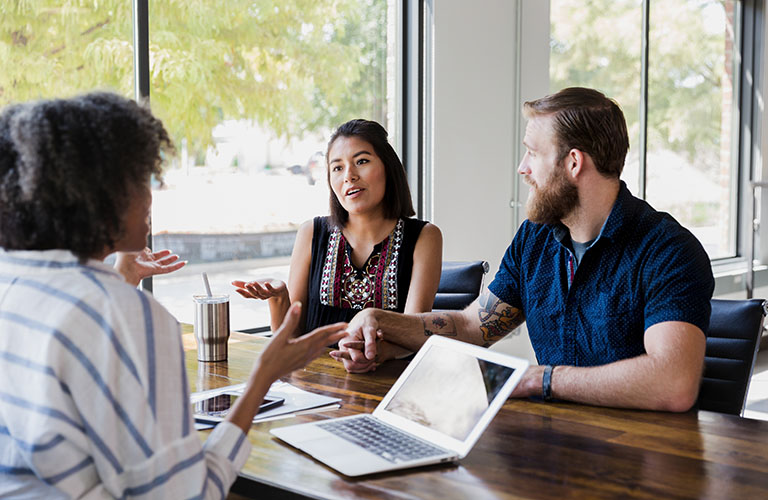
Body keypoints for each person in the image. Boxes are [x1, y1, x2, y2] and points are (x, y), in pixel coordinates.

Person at [0, 92, 347, 499]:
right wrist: (261, 380)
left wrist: (120, 278)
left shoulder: (16, 279)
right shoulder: (127, 315)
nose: (151, 197)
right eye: (141, 180)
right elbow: (185, 495)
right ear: (99, 194)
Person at [332, 87, 715, 412]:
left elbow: (673, 384)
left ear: (573, 163)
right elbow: (472, 327)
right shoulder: (535, 239)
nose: (522, 168)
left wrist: (540, 380)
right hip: (556, 442)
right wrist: (380, 320)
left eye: (532, 153)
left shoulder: (669, 250)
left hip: (647, 458)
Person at [232, 119, 442, 365]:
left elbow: (415, 335)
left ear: (388, 167)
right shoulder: (311, 232)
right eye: (337, 168)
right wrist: (278, 297)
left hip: (387, 385)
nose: (349, 176)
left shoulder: (425, 237)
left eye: (361, 161)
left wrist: (372, 355)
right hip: (315, 388)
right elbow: (289, 341)